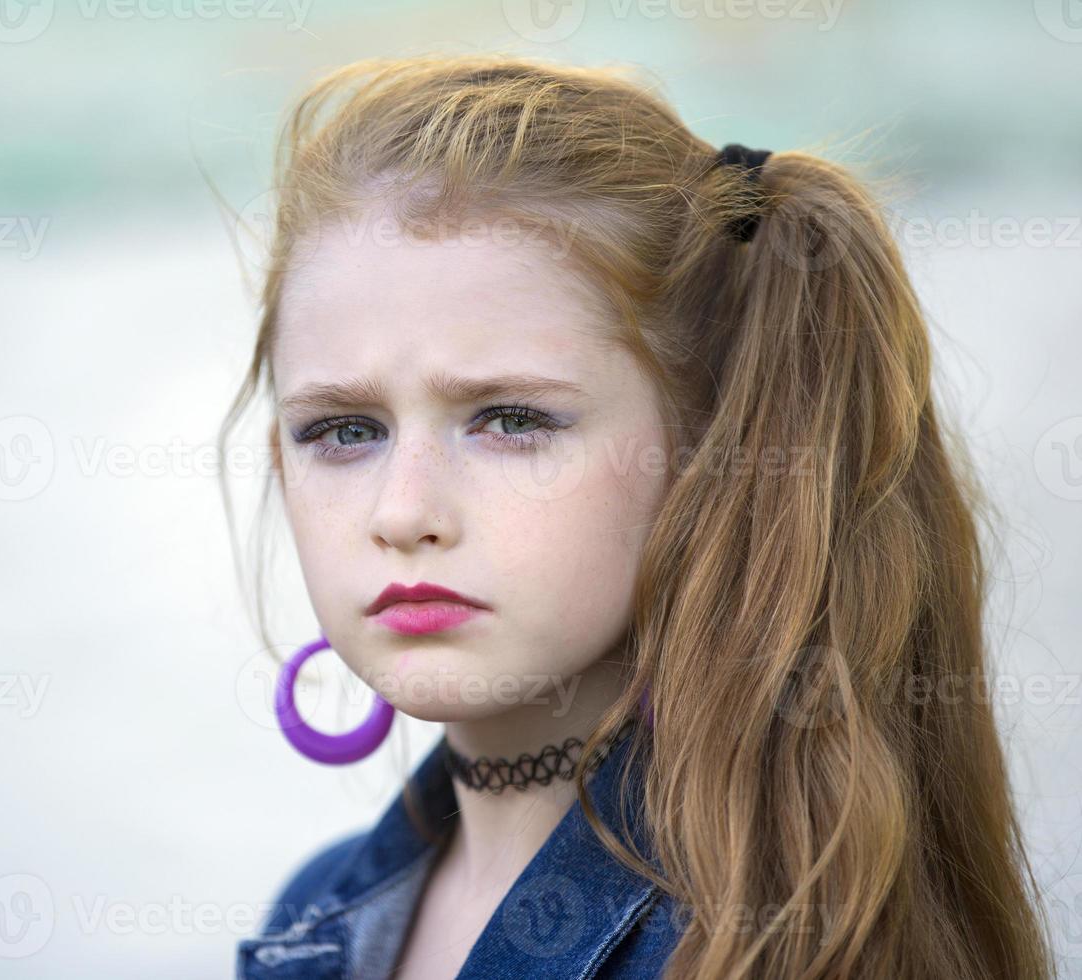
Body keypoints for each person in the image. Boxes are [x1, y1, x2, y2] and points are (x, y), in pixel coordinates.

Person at [216, 53, 1056, 979]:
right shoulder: (313, 918)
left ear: (702, 453)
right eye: (343, 431)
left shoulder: (771, 947)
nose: (403, 511)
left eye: (512, 420)